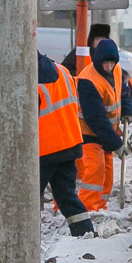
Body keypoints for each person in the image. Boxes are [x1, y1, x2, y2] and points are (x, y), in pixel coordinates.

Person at [37, 51, 92, 235]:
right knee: (67, 196)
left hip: (45, 151)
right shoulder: (63, 71)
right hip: (70, 144)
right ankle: (85, 233)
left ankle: (25, 241)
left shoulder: (30, 79)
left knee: (29, 200)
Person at [75, 37, 129, 218]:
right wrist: (117, 144)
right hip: (88, 133)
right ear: (97, 61)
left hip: (107, 134)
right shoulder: (88, 80)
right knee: (94, 173)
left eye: (111, 63)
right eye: (105, 63)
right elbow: (95, 118)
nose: (108, 67)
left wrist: (127, 110)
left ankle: (100, 208)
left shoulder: (117, 70)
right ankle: (85, 211)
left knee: (106, 175)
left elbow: (124, 91)